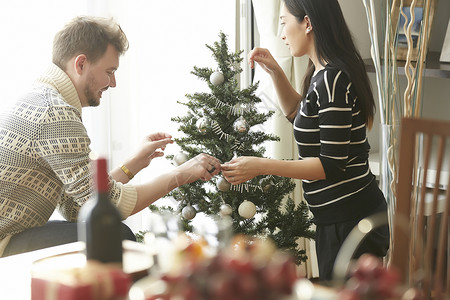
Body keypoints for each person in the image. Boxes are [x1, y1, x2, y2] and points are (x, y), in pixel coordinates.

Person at [0, 16, 221, 257]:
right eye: (110, 71)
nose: (113, 83)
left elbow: (78, 206)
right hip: (5, 241)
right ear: (81, 64)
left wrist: (133, 164)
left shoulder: (44, 99)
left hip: (12, 234)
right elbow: (114, 204)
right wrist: (182, 173)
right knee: (117, 236)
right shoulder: (55, 113)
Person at [221, 0, 389, 282]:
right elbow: (301, 117)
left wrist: (261, 166)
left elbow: (331, 165)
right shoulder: (322, 73)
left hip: (351, 219)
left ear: (308, 23)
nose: (283, 34)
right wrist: (275, 71)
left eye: (285, 22)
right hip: (338, 218)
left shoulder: (332, 79)